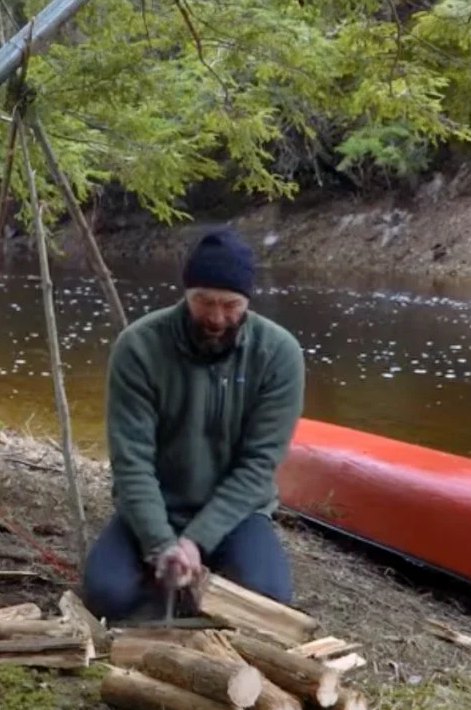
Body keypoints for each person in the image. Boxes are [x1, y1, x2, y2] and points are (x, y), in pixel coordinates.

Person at [81, 224, 305, 620]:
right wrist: (161, 542)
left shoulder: (279, 355)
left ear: (248, 302)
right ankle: (174, 582)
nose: (217, 317)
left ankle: (192, 578)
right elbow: (132, 464)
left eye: (230, 304)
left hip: (238, 513)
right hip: (157, 506)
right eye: (204, 302)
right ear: (186, 294)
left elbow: (257, 467)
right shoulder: (139, 347)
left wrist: (196, 541)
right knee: (104, 595)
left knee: (268, 601)